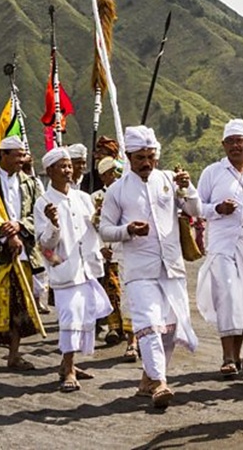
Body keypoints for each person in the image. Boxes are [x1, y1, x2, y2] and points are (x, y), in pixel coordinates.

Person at [99, 125, 202, 409]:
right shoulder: (117, 191)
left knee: (168, 328)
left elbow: (196, 210)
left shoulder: (169, 180)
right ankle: (160, 383)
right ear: (128, 157)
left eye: (150, 157)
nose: (146, 163)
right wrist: (128, 230)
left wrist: (188, 187)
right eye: (139, 157)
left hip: (172, 268)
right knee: (148, 325)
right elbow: (105, 230)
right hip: (139, 271)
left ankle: (148, 379)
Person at [36, 147, 112, 392]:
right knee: (69, 317)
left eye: (70, 165)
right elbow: (43, 244)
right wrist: (53, 224)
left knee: (84, 316)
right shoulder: (43, 203)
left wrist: (103, 239)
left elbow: (95, 227)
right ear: (50, 171)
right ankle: (68, 369)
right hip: (65, 270)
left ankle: (68, 363)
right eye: (63, 166)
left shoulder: (82, 198)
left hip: (87, 267)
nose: (69, 170)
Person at [0, 136, 43, 371]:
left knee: (20, 303)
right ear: (3, 156)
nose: (21, 160)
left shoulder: (30, 183)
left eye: (23, 155)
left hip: (23, 250)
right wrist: (6, 235)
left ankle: (14, 354)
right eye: (17, 155)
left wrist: (20, 226)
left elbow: (38, 214)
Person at [196, 118, 243, 377]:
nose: (235, 146)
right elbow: (195, 207)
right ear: (223, 145)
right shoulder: (213, 172)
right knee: (228, 296)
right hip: (221, 244)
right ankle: (228, 357)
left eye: (240, 141)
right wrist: (217, 209)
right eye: (230, 141)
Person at [91, 155, 136, 361]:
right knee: (112, 292)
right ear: (103, 176)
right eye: (111, 173)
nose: (115, 176)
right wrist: (101, 248)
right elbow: (94, 228)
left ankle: (135, 339)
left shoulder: (129, 193)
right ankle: (115, 329)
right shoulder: (95, 198)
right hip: (108, 253)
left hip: (130, 251)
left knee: (130, 295)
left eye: (117, 172)